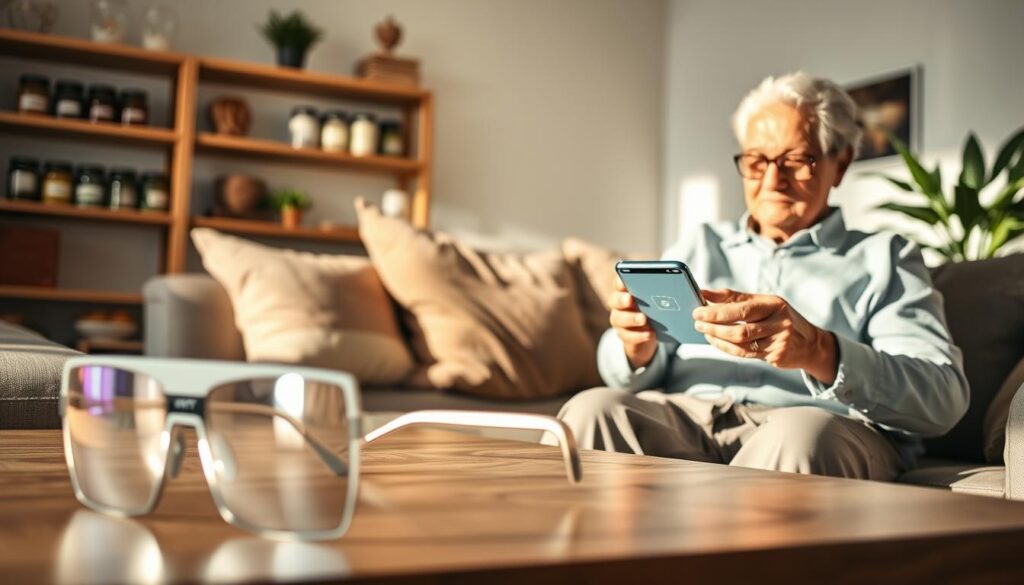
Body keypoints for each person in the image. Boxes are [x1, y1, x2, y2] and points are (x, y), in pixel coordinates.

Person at [555, 72, 968, 480]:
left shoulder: (885, 258)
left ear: (839, 163)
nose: (773, 181)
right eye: (756, 161)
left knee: (801, 434)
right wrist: (633, 347)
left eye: (795, 160)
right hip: (690, 418)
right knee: (591, 411)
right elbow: (621, 369)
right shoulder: (701, 244)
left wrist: (822, 351)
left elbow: (943, 397)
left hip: (814, 423)